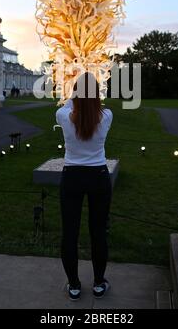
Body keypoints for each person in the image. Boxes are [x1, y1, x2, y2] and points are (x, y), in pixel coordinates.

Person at [56, 72, 113, 301]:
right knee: (98, 232)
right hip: (98, 176)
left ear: (75, 93)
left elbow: (69, 104)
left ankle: (74, 285)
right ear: (97, 93)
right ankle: (99, 283)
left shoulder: (62, 114)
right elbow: (94, 108)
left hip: (72, 176)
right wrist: (90, 95)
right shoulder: (107, 115)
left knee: (70, 233)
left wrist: (76, 94)